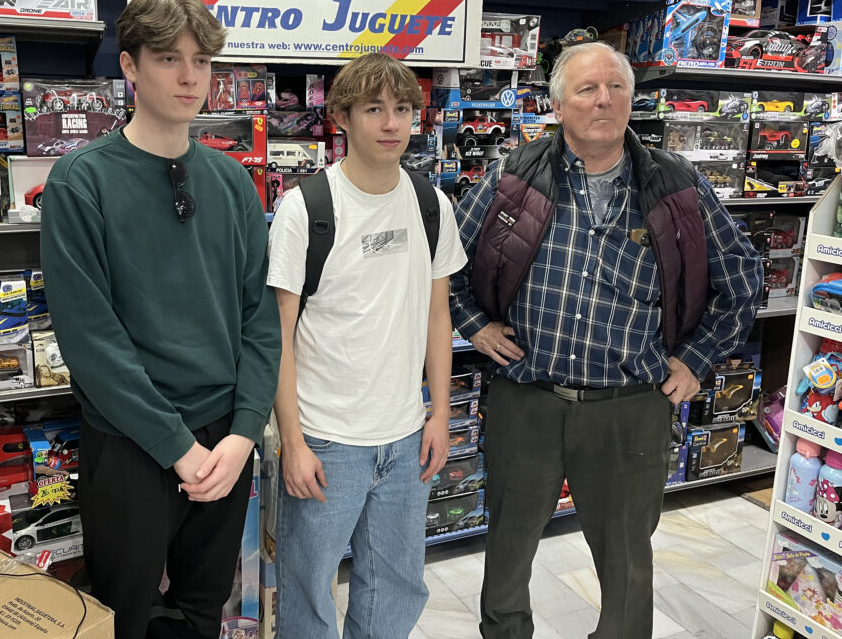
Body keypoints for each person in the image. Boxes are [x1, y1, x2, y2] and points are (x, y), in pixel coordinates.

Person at [450, 42, 763, 639]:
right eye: (588, 88)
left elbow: (743, 278)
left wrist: (695, 361)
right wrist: (474, 325)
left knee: (625, 561)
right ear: (557, 105)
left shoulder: (677, 185)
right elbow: (445, 264)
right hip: (527, 400)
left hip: (630, 408)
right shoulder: (514, 177)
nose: (604, 100)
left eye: (616, 87)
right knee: (508, 548)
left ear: (631, 99)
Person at [40, 0, 281, 639]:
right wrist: (177, 447)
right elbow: (91, 340)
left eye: (201, 61)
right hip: (130, 442)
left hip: (225, 441)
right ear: (129, 65)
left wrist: (244, 433)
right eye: (169, 58)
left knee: (204, 611)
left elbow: (259, 320)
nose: (189, 77)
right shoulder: (80, 181)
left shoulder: (232, 182)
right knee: (125, 615)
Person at [267, 53, 469, 639]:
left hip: (406, 438)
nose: (391, 123)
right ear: (342, 117)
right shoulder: (306, 209)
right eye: (374, 109)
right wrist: (293, 442)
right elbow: (278, 335)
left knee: (397, 586)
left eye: (403, 109)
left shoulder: (432, 205)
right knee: (308, 591)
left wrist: (439, 413)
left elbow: (437, 315)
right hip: (326, 440)